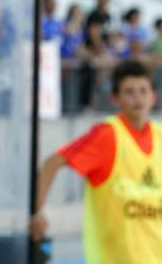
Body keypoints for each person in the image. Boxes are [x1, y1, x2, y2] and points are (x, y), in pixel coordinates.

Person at [30, 59, 162, 264]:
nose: (138, 98)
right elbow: (52, 163)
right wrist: (37, 211)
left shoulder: (160, 136)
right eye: (129, 92)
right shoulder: (108, 135)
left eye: (143, 91)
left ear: (154, 97)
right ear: (115, 99)